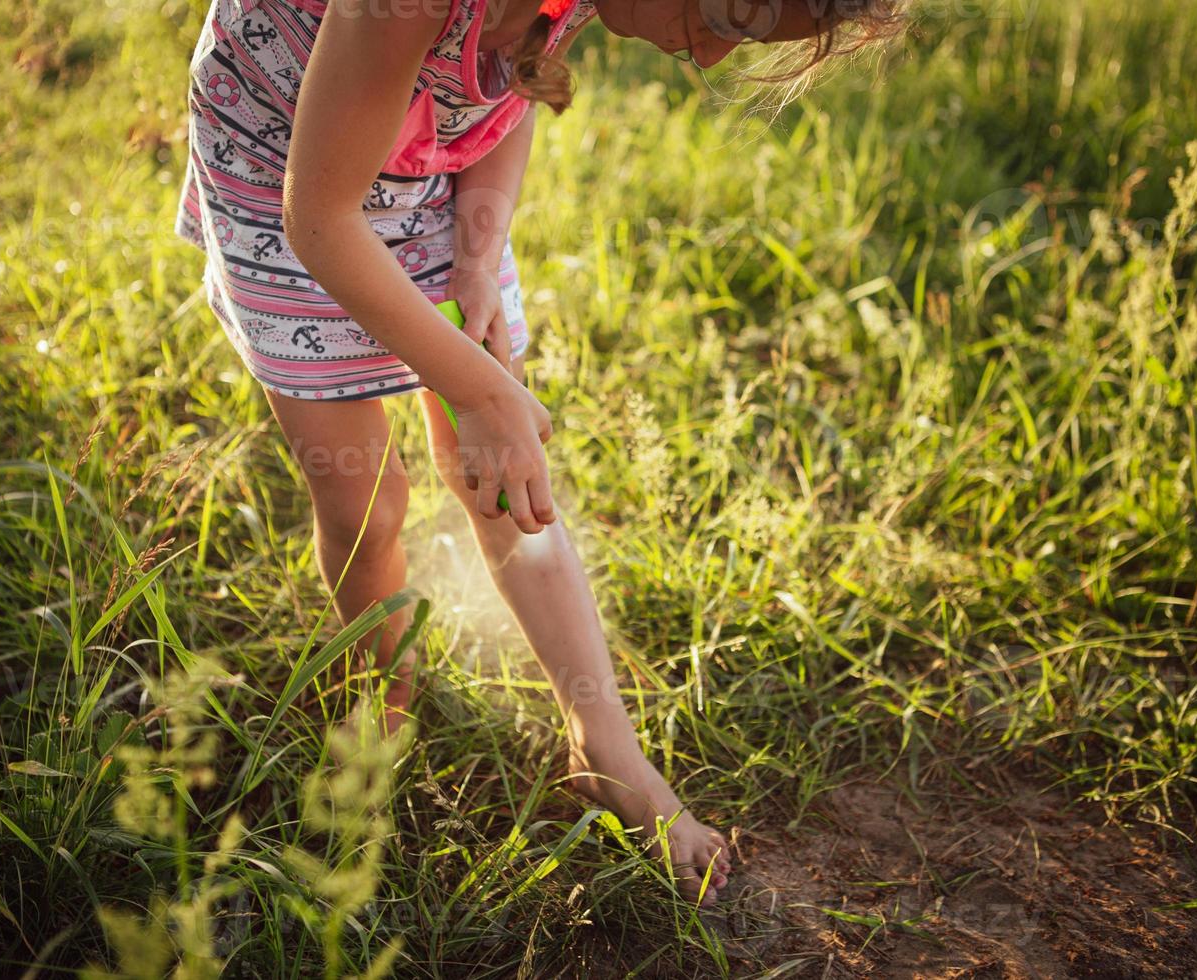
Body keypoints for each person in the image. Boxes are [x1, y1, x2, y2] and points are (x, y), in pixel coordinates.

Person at [176, 0, 899, 906]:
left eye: (746, 39)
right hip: (293, 172)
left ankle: (604, 749)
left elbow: (500, 94)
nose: (710, 54)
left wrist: (478, 258)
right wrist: (482, 390)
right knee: (368, 503)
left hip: (426, 165)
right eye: (725, 16)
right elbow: (320, 218)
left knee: (505, 469)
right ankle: (377, 705)